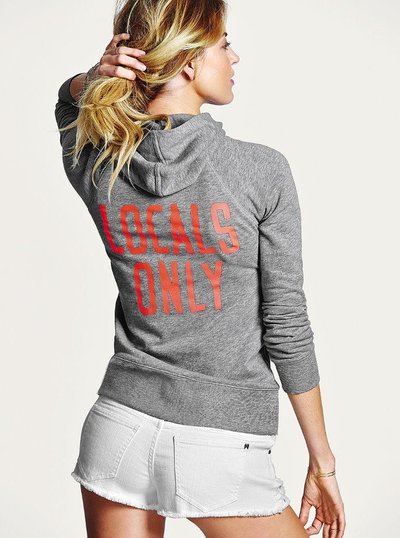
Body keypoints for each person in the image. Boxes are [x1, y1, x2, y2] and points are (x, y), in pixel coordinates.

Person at [55, 1, 345, 536]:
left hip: (119, 426)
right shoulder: (260, 170)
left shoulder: (100, 163)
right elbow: (286, 325)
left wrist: (93, 77)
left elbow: (66, 104)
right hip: (220, 438)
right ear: (188, 61)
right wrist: (322, 460)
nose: (235, 57)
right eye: (224, 44)